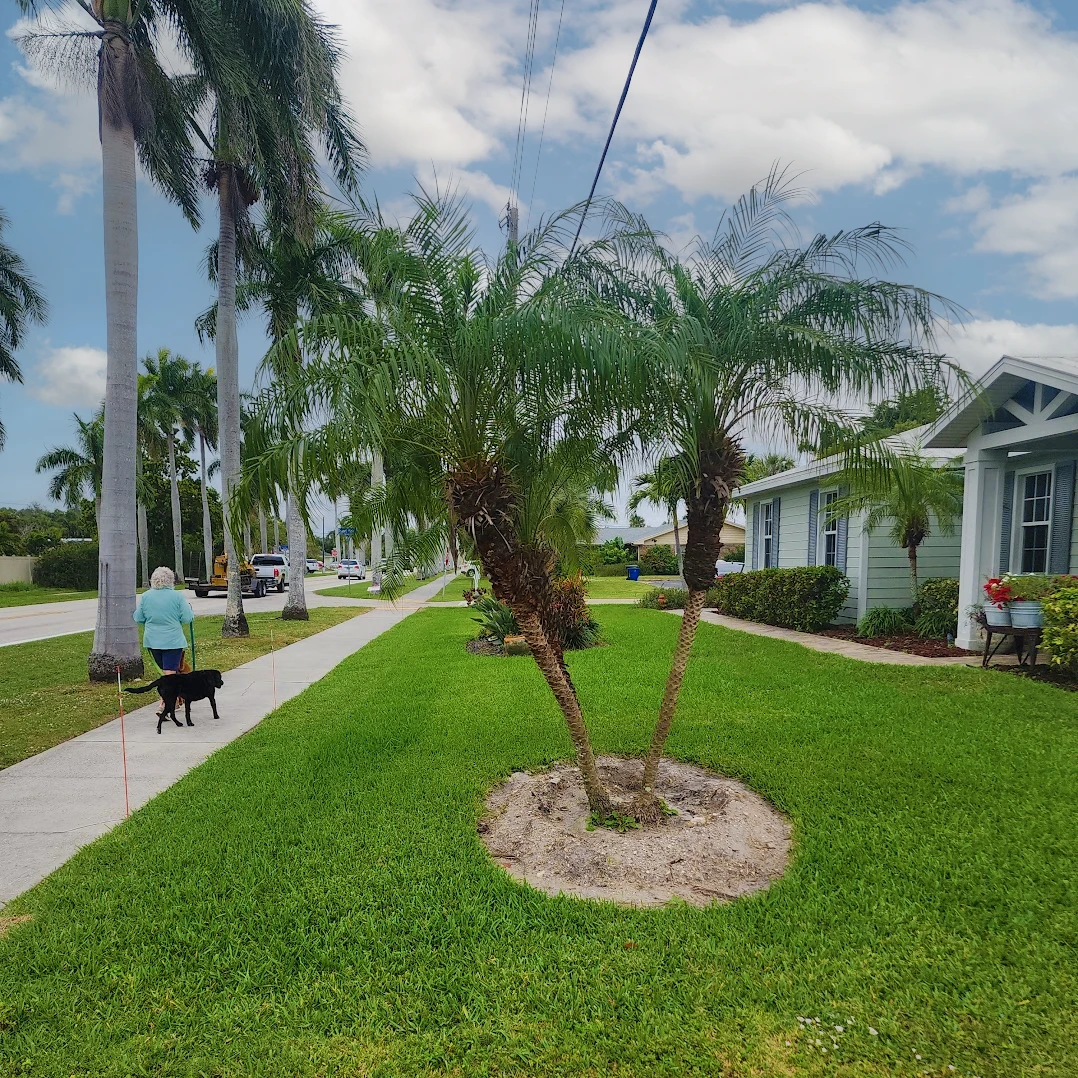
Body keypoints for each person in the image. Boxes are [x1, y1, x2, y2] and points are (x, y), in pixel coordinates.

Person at [133, 566, 195, 716]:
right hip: (173, 641)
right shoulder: (177, 596)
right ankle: (167, 702)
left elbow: (138, 617)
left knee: (167, 673)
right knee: (169, 673)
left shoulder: (146, 596)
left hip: (153, 641)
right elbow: (187, 617)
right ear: (171, 580)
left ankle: (167, 702)